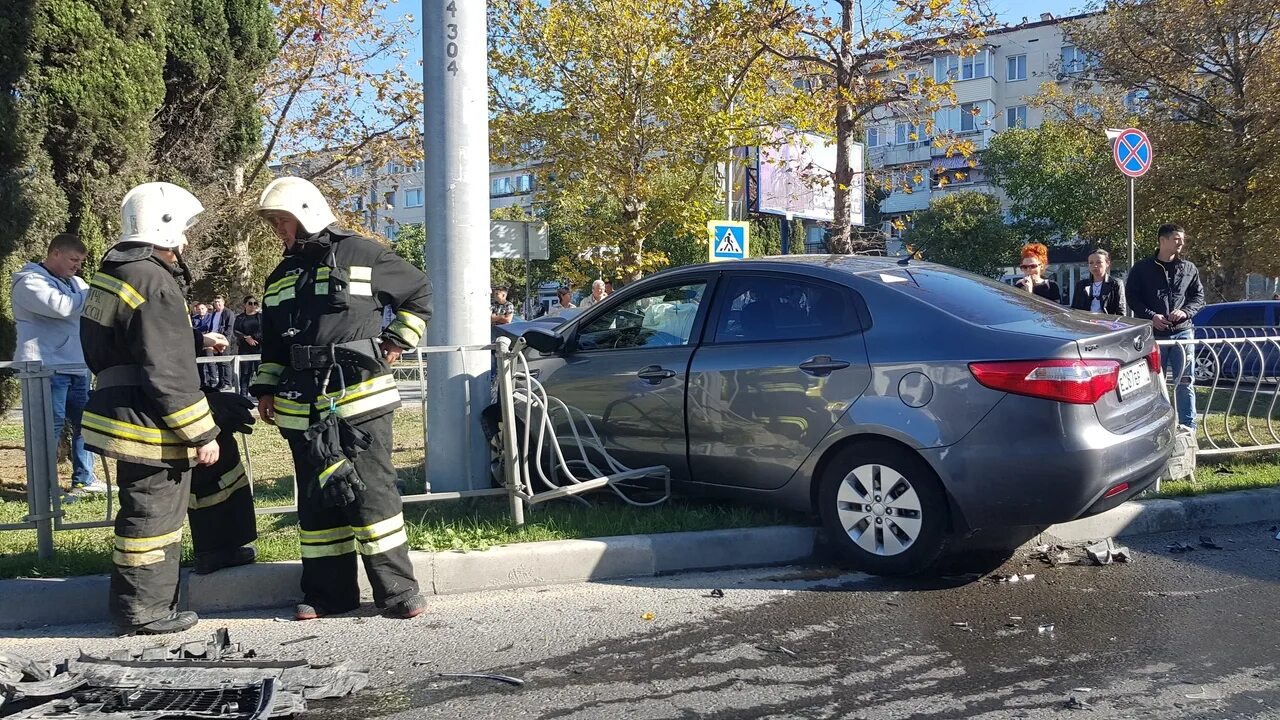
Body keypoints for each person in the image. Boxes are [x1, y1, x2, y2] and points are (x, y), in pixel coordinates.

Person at [250, 176, 431, 621]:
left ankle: (398, 592)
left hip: (359, 399)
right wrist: (267, 389)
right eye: (274, 223)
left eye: (282, 221)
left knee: (371, 494)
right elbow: (273, 342)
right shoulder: (280, 276)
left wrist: (395, 341)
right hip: (301, 406)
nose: (278, 231)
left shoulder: (363, 254)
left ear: (307, 215)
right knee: (317, 500)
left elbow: (420, 293)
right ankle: (329, 595)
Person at [79, 182, 226, 635]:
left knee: (140, 510)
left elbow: (116, 342)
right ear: (163, 228)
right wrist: (202, 433)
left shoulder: (112, 274)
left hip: (120, 407)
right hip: (149, 419)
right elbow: (168, 370)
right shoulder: (153, 280)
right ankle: (144, 612)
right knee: (153, 515)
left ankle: (139, 606)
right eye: (183, 230)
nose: (185, 240)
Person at [11, 233, 104, 494]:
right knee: (47, 429)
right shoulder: (29, 281)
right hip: (44, 367)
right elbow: (61, 307)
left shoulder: (77, 282)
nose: (78, 266)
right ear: (55, 254)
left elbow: (91, 311)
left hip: (77, 365)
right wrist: (94, 294)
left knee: (85, 424)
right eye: (73, 259)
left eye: (81, 261)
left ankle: (84, 479)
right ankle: (43, 487)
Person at [1126, 223, 1204, 430]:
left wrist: (1185, 312)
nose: (1181, 243)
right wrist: (1151, 316)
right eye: (1177, 239)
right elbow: (1133, 298)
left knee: (1185, 381)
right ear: (1162, 240)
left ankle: (1188, 426)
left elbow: (1198, 297)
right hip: (1154, 335)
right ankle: (1156, 425)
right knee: (1153, 383)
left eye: (1182, 239)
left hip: (1183, 333)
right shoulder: (1142, 269)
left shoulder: (1189, 268)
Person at [1070, 249, 1128, 315]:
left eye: (1099, 262)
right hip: (1086, 321)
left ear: (1107, 263)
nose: (1095, 266)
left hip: (1107, 322)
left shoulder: (1115, 284)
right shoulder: (1081, 285)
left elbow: (1120, 310)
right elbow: (1074, 309)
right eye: (1091, 263)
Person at [233, 296, 263, 399]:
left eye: (255, 303)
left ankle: (261, 396)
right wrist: (246, 338)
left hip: (259, 348)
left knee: (260, 372)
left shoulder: (261, 317)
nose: (253, 306)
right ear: (245, 305)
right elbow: (236, 331)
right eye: (250, 303)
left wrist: (253, 337)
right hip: (245, 349)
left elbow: (264, 330)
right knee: (245, 373)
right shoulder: (240, 318)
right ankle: (243, 396)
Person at [208, 294, 236, 389]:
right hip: (214, 340)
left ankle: (228, 383)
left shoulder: (228, 313)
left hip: (224, 341)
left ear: (223, 302)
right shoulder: (214, 314)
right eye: (215, 302)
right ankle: (221, 382)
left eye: (219, 302)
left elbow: (229, 329)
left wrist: (223, 341)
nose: (217, 304)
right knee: (218, 362)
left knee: (225, 362)